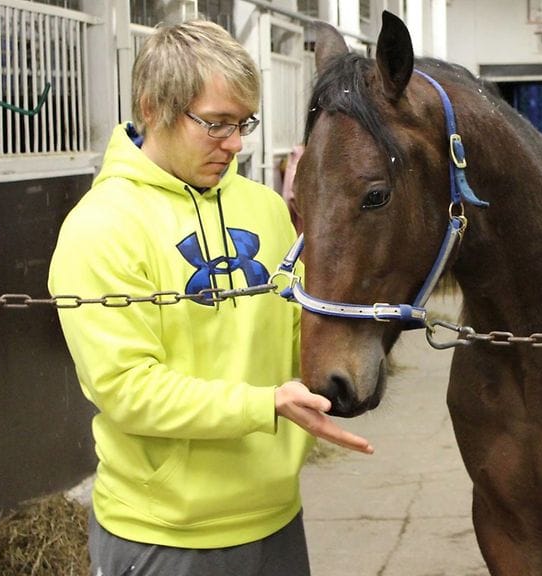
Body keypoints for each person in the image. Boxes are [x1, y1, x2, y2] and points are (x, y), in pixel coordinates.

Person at [47, 20, 372, 576]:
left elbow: (297, 326)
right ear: (153, 108)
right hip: (164, 532)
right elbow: (127, 389)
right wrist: (264, 404)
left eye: (244, 123)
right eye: (217, 124)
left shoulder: (264, 207)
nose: (237, 143)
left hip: (276, 515)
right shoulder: (101, 227)